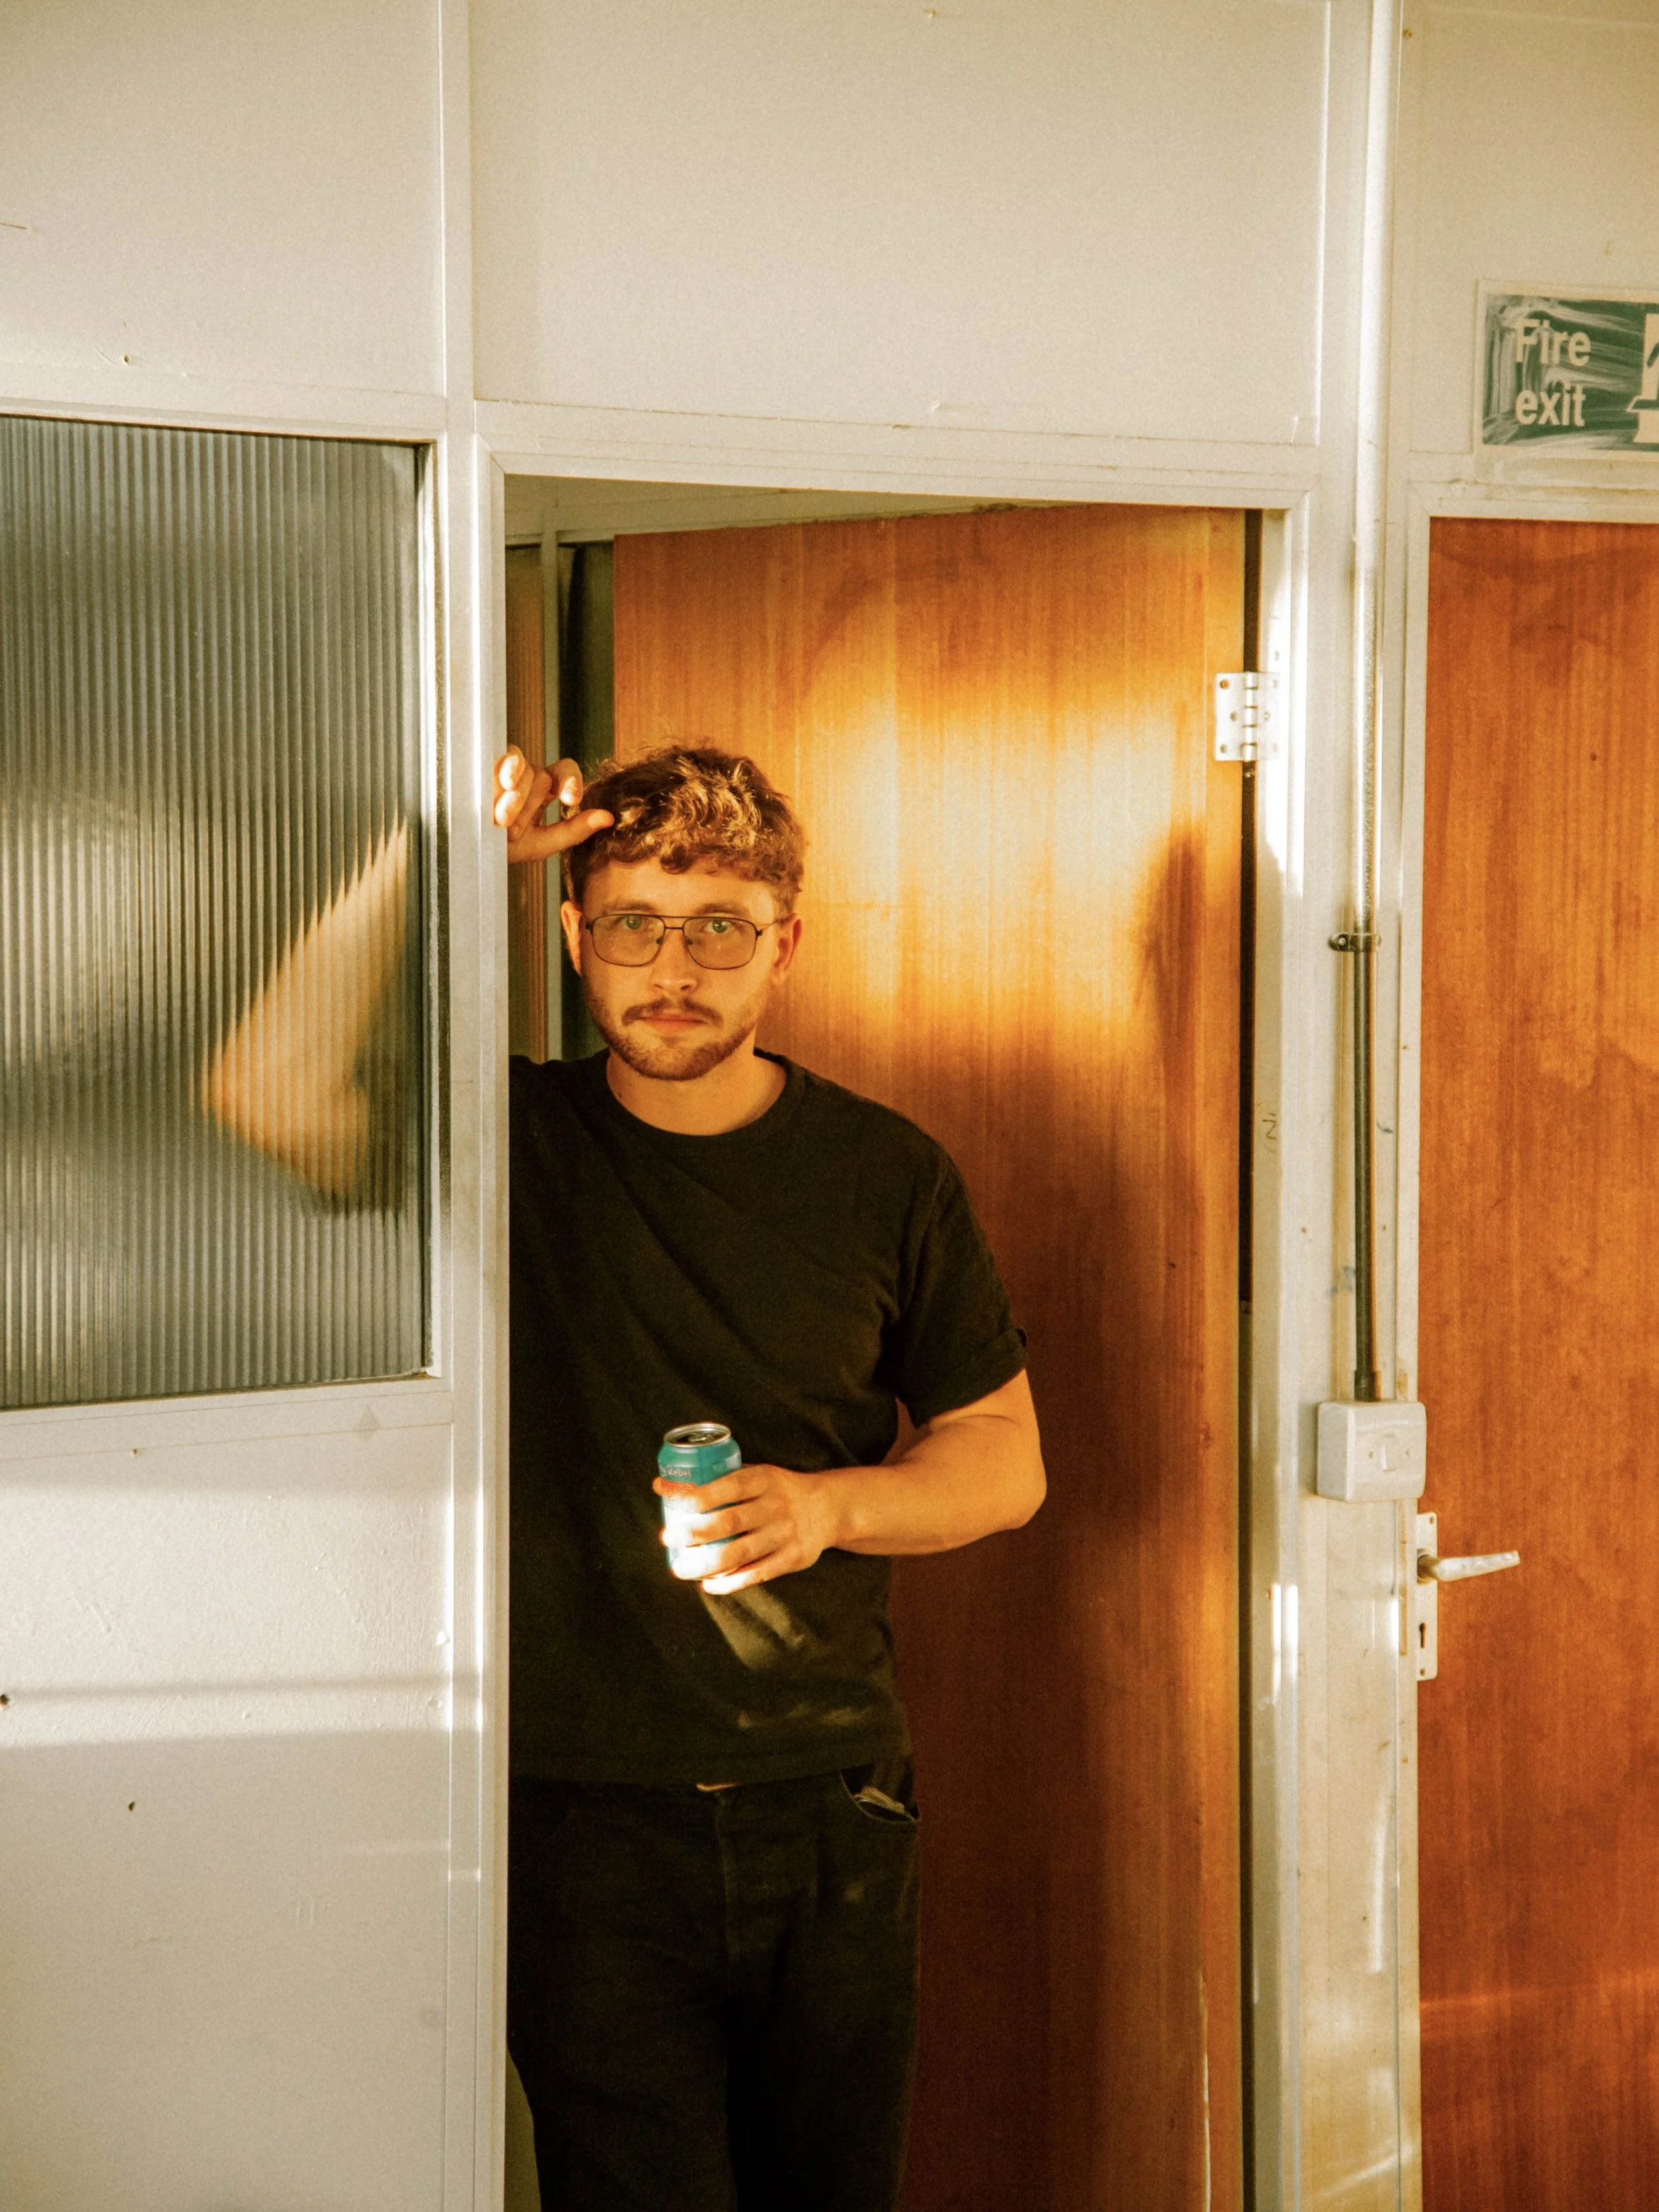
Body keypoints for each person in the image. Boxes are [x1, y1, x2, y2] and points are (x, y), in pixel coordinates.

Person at [494, 740, 1045, 2212]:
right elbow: (259, 1093)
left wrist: (824, 1506)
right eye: (629, 923)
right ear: (571, 935)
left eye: (719, 928)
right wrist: (445, 854)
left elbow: (1003, 1465)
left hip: (834, 1803)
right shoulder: (509, 1143)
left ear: (782, 946)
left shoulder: (883, 1171)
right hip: (579, 1814)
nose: (672, 967)